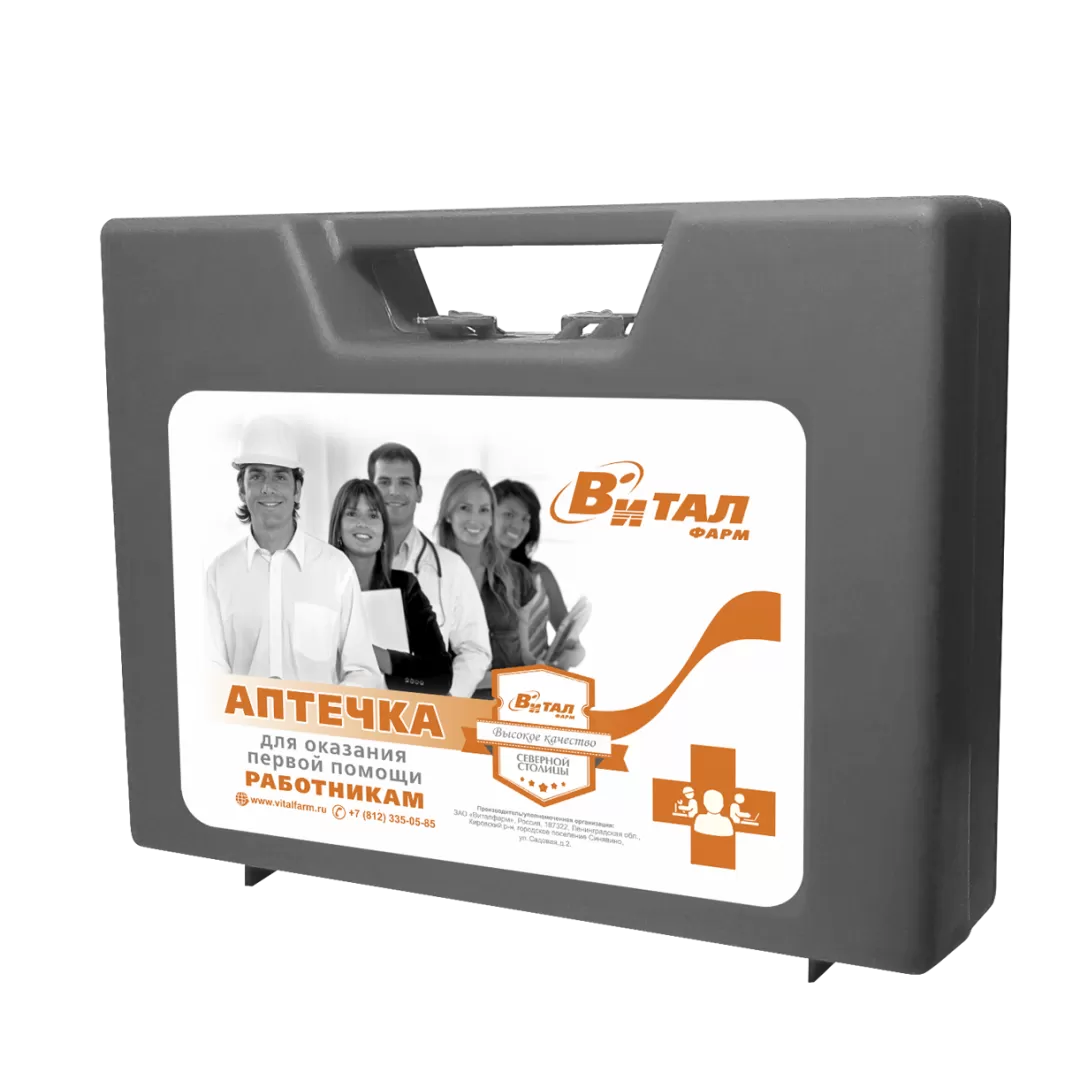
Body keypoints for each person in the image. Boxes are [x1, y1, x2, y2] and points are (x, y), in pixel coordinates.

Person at [205, 417, 383, 687]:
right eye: (257, 476)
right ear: (242, 489)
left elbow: (363, 672)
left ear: (297, 489)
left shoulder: (336, 569)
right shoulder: (220, 573)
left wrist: (321, 708)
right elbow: (211, 671)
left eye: (279, 476)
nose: (268, 488)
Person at [368, 443, 492, 697]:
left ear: (419, 492)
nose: (394, 491)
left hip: (426, 709)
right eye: (384, 482)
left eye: (404, 482)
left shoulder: (451, 568)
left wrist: (450, 697)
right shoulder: (339, 564)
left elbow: (475, 649)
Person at [328, 478, 453, 695]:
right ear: (338, 528)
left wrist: (376, 656)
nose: (363, 523)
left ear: (384, 532)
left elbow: (440, 677)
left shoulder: (406, 587)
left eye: (373, 515)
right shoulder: (318, 585)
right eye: (352, 514)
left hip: (394, 710)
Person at [436, 469, 548, 699]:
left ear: (492, 517)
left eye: (484, 510)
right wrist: (506, 678)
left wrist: (539, 668)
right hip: (457, 705)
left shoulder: (517, 575)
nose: (475, 519)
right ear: (448, 514)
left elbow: (523, 654)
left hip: (512, 703)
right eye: (464, 508)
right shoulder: (429, 575)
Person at [493, 479, 586, 670]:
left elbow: (573, 645)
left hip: (539, 681)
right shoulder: (470, 574)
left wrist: (572, 655)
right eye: (509, 514)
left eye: (525, 519)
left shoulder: (541, 574)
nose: (517, 526)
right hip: (491, 681)